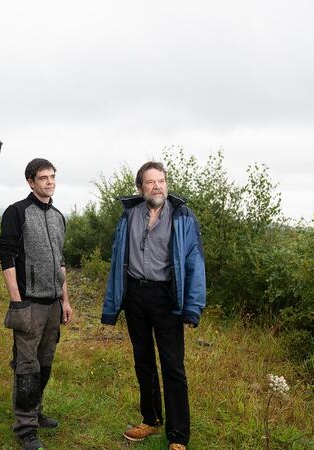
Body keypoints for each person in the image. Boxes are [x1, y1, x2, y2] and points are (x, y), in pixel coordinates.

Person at [100, 161, 206, 450]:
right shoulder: (129, 215)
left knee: (173, 367)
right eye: (150, 182)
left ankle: (178, 436)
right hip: (135, 295)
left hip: (166, 298)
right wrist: (114, 302)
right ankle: (151, 419)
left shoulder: (182, 216)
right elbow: (117, 259)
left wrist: (193, 307)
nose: (157, 186)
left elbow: (195, 261)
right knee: (143, 361)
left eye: (161, 181)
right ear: (140, 187)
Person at [0, 158, 73, 450]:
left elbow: (61, 262)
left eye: (52, 176)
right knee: (27, 366)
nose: (50, 182)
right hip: (29, 303)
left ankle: (36, 410)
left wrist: (65, 300)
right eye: (43, 177)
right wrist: (17, 302)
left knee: (45, 362)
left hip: (53, 304)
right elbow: (6, 258)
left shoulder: (58, 216)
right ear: (30, 182)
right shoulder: (17, 212)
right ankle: (25, 428)